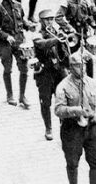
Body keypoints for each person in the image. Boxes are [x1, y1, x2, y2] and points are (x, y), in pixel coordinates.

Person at [55, 51, 96, 184]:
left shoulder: (92, 83)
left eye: (83, 65)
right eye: (77, 66)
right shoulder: (63, 86)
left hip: (91, 127)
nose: (81, 68)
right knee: (72, 164)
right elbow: (58, 110)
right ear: (71, 68)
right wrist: (76, 111)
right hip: (72, 129)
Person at [0, 0, 31, 108]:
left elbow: (21, 19)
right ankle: (9, 95)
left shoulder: (18, 5)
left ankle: (22, 96)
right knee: (7, 69)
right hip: (5, 43)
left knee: (24, 68)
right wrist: (6, 36)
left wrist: (28, 25)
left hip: (19, 41)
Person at [33, 9, 70, 141]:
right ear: (41, 21)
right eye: (47, 20)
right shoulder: (37, 34)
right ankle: (48, 128)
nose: (50, 22)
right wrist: (56, 40)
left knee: (63, 97)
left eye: (51, 19)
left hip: (58, 69)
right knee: (45, 101)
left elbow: (65, 51)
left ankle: (63, 123)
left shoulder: (56, 31)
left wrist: (64, 41)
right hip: (45, 71)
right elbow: (42, 44)